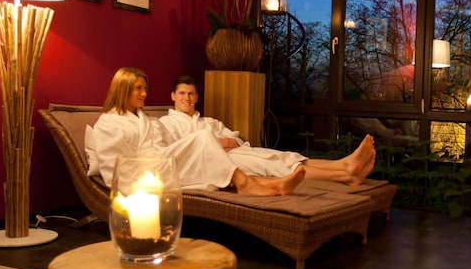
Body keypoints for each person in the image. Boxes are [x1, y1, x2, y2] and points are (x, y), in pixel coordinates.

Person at [91, 67, 305, 196]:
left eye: (145, 88)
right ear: (122, 89)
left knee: (205, 147)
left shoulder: (146, 120)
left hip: (161, 163)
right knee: (203, 138)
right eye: (139, 88)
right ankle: (245, 183)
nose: (145, 93)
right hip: (142, 173)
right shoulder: (108, 124)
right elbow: (114, 169)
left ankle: (270, 183)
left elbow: (165, 146)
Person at [159, 75, 376, 186]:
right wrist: (217, 144)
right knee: (271, 164)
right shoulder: (167, 124)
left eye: (191, 94)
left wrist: (230, 142)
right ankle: (345, 175)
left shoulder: (209, 122)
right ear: (173, 96)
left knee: (282, 155)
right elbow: (179, 154)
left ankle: (344, 165)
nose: (187, 98)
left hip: (238, 152)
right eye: (182, 93)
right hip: (217, 164)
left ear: (197, 97)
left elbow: (234, 137)